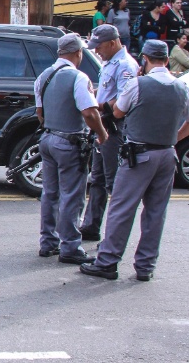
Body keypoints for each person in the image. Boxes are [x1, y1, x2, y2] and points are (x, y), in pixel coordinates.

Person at [80, 40, 189, 281]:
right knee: (156, 212)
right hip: (167, 153)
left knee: (122, 207)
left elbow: (118, 111)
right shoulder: (181, 87)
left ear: (145, 59)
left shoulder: (138, 84)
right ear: (167, 60)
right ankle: (145, 266)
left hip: (139, 152)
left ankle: (108, 261)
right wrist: (173, 138)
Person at [34, 33, 109, 264]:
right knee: (72, 196)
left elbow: (40, 113)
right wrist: (102, 133)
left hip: (48, 138)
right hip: (69, 141)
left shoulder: (43, 77)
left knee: (50, 194)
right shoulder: (78, 77)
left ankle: (48, 242)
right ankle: (70, 247)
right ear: (78, 53)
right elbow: (89, 111)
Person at [79, 25, 139, 242]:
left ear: (113, 43)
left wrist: (97, 105)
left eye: (100, 46)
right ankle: (91, 226)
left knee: (114, 184)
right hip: (102, 127)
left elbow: (123, 101)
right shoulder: (109, 62)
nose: (97, 51)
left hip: (114, 129)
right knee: (97, 179)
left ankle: (114, 235)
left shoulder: (125, 65)